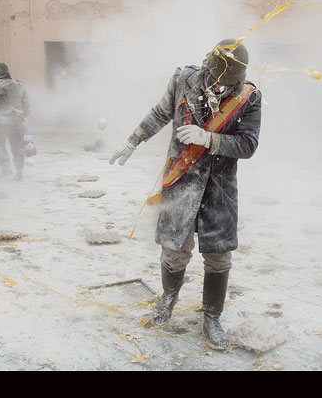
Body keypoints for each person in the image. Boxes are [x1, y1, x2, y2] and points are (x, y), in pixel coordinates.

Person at [109, 39, 262, 350]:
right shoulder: (183, 80)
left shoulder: (249, 97)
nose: (221, 88)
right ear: (207, 69)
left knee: (218, 254)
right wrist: (132, 141)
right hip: (181, 179)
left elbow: (248, 144)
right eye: (217, 81)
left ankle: (211, 317)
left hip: (219, 187)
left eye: (228, 84)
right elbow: (159, 114)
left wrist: (210, 138)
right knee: (173, 249)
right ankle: (168, 298)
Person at [0, 62, 30, 180]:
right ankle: (19, 171)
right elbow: (27, 105)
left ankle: (6, 167)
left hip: (1, 121)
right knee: (17, 145)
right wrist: (23, 116)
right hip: (17, 119)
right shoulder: (20, 85)